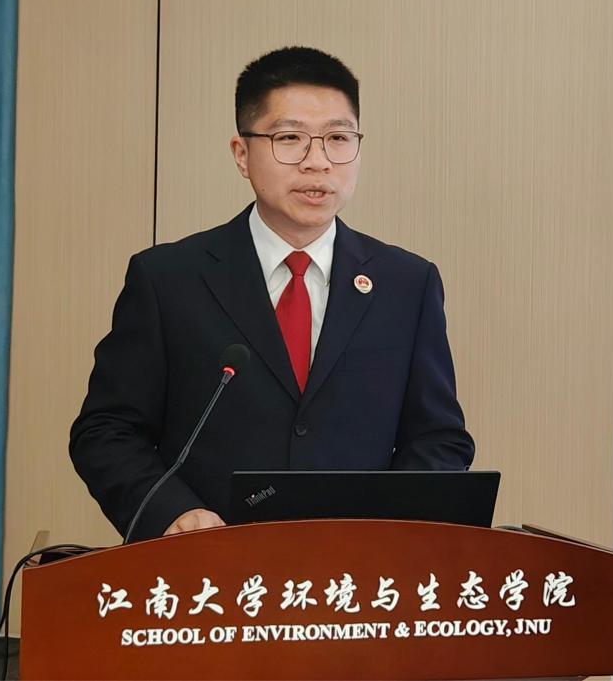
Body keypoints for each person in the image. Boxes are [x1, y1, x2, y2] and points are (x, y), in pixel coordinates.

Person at [70, 46, 473, 540]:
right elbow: (107, 431)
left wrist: (387, 528)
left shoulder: (407, 283)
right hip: (211, 563)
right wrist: (172, 512)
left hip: (357, 567)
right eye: (290, 139)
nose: (317, 162)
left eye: (338, 139)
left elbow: (438, 439)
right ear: (242, 154)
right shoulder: (168, 279)